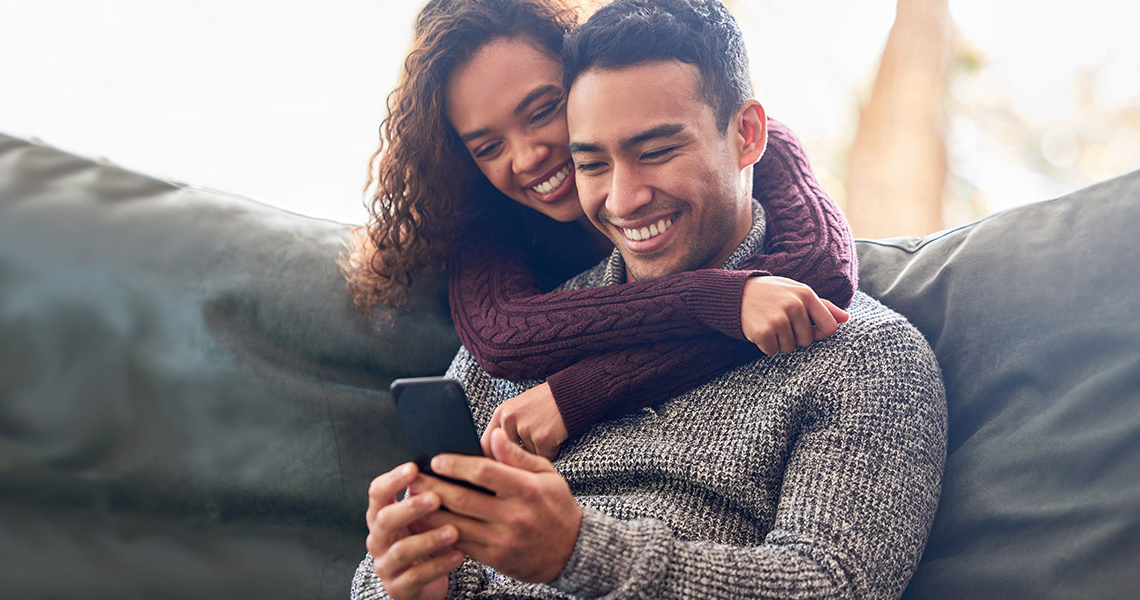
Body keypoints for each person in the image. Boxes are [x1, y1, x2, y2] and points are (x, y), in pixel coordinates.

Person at [353, 0, 947, 598]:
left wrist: (577, 551)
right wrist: (408, 581)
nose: (624, 198)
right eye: (591, 162)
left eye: (656, 151)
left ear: (747, 135)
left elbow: (833, 585)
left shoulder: (868, 358)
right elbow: (385, 572)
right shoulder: (522, 345)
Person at [342, 0, 857, 462]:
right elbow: (505, 338)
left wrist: (580, 393)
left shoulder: (748, 146)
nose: (527, 157)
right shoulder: (487, 225)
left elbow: (818, 277)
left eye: (543, 111)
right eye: (488, 147)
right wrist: (720, 299)